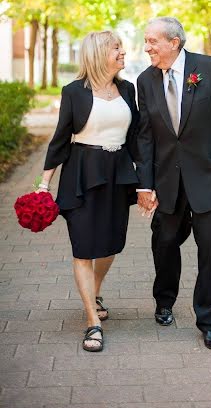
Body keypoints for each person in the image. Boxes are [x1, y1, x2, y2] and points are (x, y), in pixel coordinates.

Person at [136, 17, 211, 350]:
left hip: (209, 178)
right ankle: (164, 299)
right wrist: (145, 186)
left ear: (174, 42)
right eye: (145, 41)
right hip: (166, 181)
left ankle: (209, 321)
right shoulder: (145, 81)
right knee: (165, 241)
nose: (147, 48)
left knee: (209, 251)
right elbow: (144, 138)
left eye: (152, 41)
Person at [37, 31, 141, 352]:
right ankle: (91, 322)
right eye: (116, 48)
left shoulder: (127, 88)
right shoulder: (74, 92)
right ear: (99, 54)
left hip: (118, 175)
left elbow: (136, 138)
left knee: (110, 243)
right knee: (83, 247)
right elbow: (59, 139)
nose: (122, 52)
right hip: (82, 174)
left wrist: (149, 180)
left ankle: (93, 292)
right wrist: (44, 184)